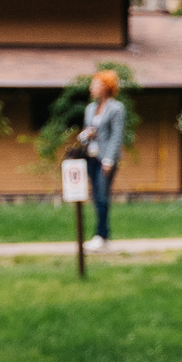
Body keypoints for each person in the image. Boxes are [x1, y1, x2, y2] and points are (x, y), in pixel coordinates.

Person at [80, 69, 124, 250]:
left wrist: (109, 160)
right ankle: (101, 234)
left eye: (96, 84)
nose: (92, 88)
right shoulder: (90, 108)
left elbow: (116, 136)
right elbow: (84, 133)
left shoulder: (117, 108)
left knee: (102, 196)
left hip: (105, 159)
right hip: (91, 156)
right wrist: (85, 135)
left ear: (106, 87)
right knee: (95, 196)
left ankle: (102, 234)